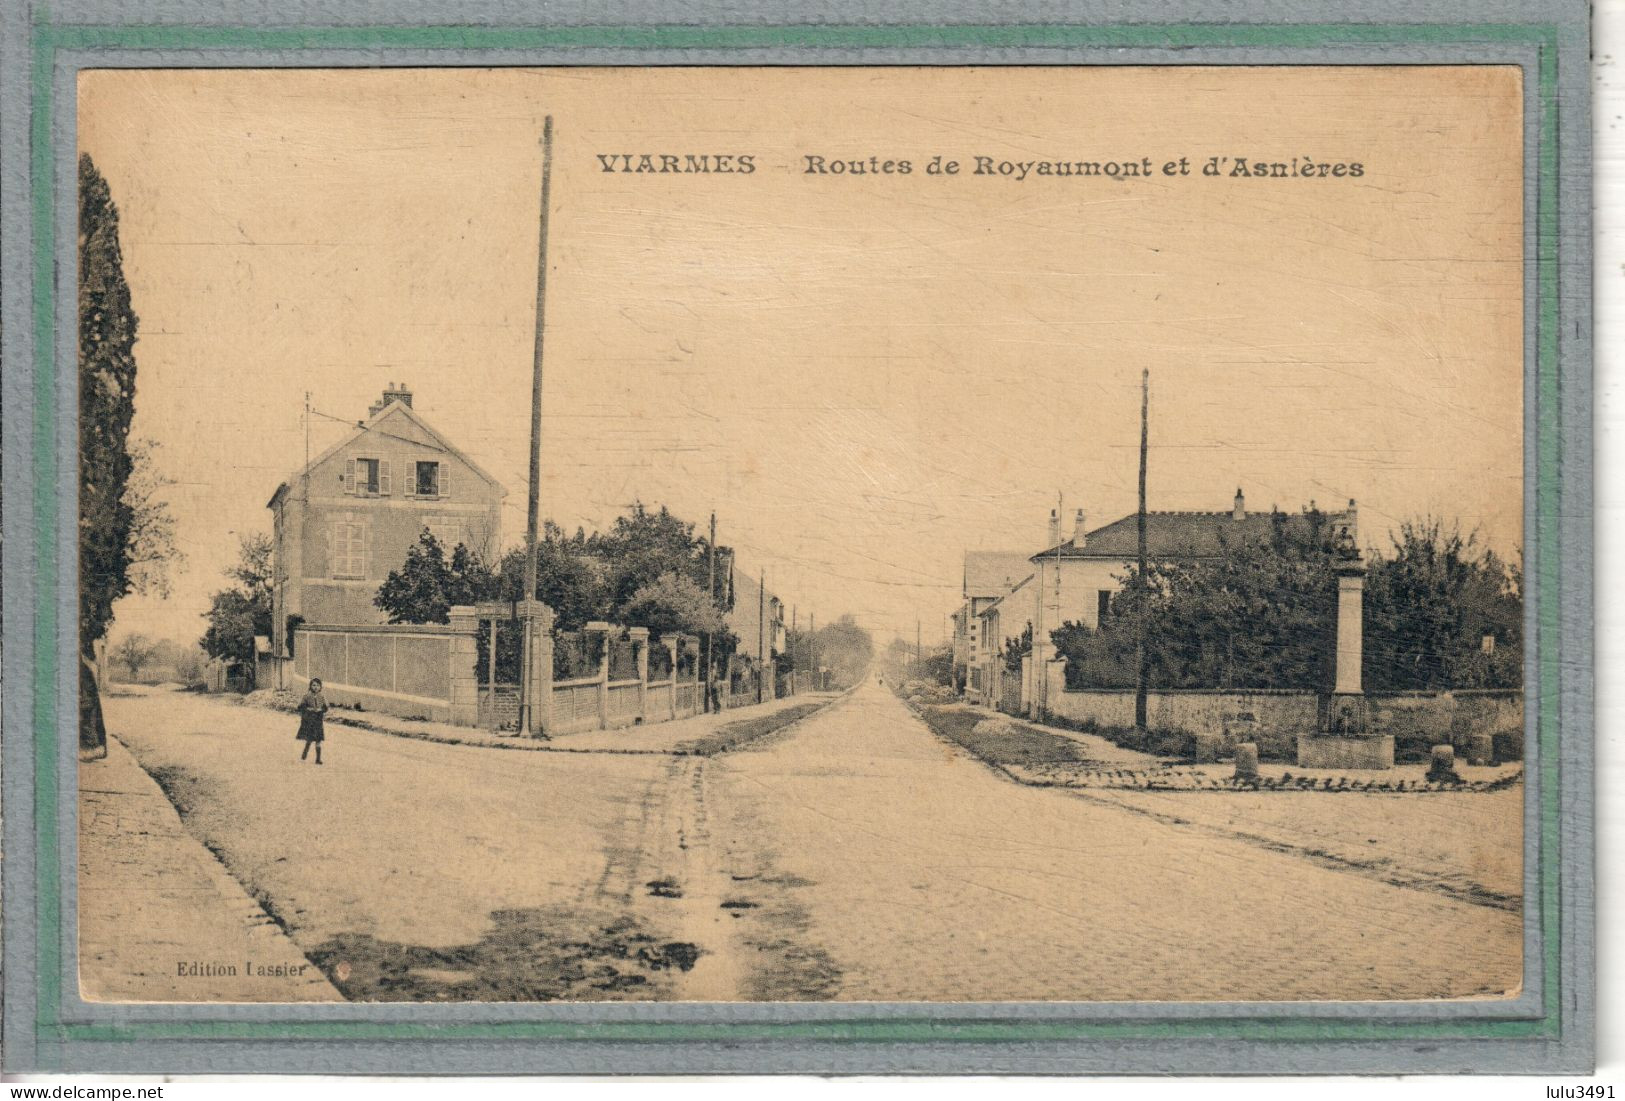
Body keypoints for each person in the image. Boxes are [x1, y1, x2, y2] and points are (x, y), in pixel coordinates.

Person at [296, 678, 329, 764]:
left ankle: (318, 759)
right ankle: (305, 753)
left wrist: (321, 709)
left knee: (318, 740)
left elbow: (326, 708)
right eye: (314, 685)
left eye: (318, 685)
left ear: (320, 687)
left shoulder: (322, 697)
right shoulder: (306, 696)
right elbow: (300, 707)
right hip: (309, 721)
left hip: (318, 721)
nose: (316, 687)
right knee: (309, 739)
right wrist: (308, 709)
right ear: (310, 686)